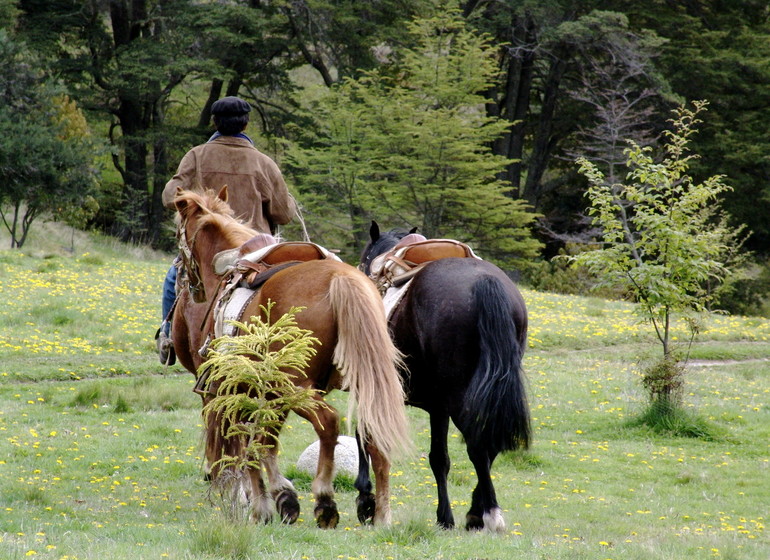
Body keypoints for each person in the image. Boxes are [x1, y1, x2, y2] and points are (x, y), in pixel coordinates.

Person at [156, 96, 297, 364]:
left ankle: (168, 338)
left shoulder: (196, 156)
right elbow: (284, 214)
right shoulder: (264, 163)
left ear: (215, 122)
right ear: (246, 123)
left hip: (209, 253)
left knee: (174, 279)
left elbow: (168, 196)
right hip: (256, 252)